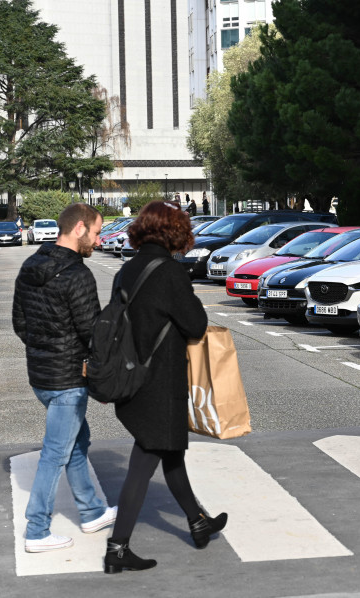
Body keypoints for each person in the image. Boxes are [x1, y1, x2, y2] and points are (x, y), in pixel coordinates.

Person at [104, 200, 225, 574]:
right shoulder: (170, 273)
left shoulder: (126, 270)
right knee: (143, 464)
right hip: (160, 384)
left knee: (170, 454)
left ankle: (197, 521)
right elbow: (195, 325)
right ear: (174, 232)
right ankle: (118, 548)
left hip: (131, 378)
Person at [12, 203, 117, 553]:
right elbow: (93, 332)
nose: (99, 240)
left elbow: (20, 323)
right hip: (69, 379)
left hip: (41, 375)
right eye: (97, 232)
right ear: (79, 229)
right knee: (56, 453)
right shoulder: (77, 274)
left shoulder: (30, 266)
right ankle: (37, 531)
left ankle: (91, 511)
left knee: (75, 443)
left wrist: (45, 349)